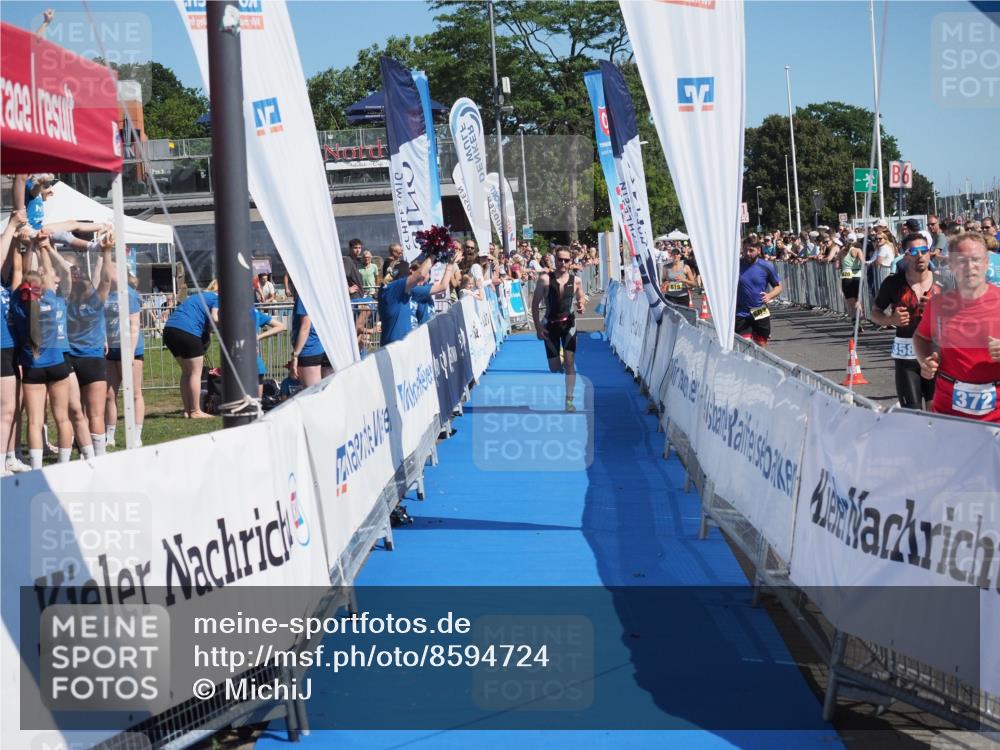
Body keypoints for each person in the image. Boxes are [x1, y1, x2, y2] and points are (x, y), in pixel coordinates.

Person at [913, 233, 1000, 422]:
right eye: (961, 261)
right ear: (951, 266)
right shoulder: (938, 305)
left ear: (986, 263)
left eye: (976, 260)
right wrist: (925, 361)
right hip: (949, 414)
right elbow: (920, 338)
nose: (970, 267)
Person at [11, 237, 74, 468]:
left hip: (32, 368)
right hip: (57, 364)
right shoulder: (52, 299)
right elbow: (48, 271)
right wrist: (43, 247)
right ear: (43, 287)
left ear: (23, 289)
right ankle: (64, 464)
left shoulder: (18, 305)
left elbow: (22, 271)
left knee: (35, 421)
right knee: (62, 418)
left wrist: (28, 248)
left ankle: (37, 469)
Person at [870, 234, 945, 410]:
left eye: (924, 250)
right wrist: (890, 319)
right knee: (913, 414)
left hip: (936, 356)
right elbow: (875, 312)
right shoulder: (893, 283)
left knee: (939, 414)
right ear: (906, 255)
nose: (920, 255)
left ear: (929, 253)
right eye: (914, 251)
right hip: (906, 357)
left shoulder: (944, 283)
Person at [63, 237, 114, 457]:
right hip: (87, 359)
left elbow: (101, 280)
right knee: (93, 413)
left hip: (79, 359)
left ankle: (92, 454)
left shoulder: (64, 298)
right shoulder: (88, 298)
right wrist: (105, 253)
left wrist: (104, 254)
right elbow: (104, 281)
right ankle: (94, 455)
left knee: (82, 413)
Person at [531, 246, 587, 412]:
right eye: (560, 259)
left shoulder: (576, 280)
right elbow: (534, 304)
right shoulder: (545, 279)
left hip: (568, 324)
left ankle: (569, 401)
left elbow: (581, 297)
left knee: (570, 363)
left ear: (571, 262)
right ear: (554, 260)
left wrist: (582, 305)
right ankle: (560, 358)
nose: (563, 263)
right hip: (550, 326)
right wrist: (538, 327)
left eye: (566, 260)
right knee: (554, 368)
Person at [378, 249, 461, 346]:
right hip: (395, 347)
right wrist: (435, 250)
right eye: (409, 273)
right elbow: (420, 274)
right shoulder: (392, 289)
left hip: (409, 344)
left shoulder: (409, 290)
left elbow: (442, 286)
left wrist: (450, 265)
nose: (411, 274)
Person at [1, 211, 30, 474]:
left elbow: (18, 266)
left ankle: (12, 455)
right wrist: (10, 225)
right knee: (6, 408)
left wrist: (24, 243)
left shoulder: (8, 285)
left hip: (14, 347)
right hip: (1, 347)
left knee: (16, 406)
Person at [163, 287, 219, 418]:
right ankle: (195, 411)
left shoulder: (199, 297)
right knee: (195, 372)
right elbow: (215, 317)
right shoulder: (218, 298)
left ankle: (187, 410)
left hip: (169, 330)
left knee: (187, 372)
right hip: (188, 331)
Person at [105, 270, 147, 445]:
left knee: (134, 393)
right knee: (109, 394)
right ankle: (110, 436)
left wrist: (129, 351)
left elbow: (134, 324)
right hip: (111, 349)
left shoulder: (129, 294)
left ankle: (136, 435)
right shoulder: (105, 293)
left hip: (131, 349)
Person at [735, 241, 782, 347]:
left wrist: (769, 295)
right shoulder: (736, 265)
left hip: (759, 309)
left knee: (761, 343)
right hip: (741, 311)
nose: (747, 253)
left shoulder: (766, 266)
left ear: (758, 250)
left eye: (751, 250)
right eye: (745, 250)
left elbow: (779, 287)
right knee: (743, 344)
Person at [289, 281, 332, 388]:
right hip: (323, 347)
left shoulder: (305, 296)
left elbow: (305, 328)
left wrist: (295, 356)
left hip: (309, 349)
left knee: (312, 394)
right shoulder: (323, 294)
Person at [252, 305, 286, 397]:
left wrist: (258, 337)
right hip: (256, 365)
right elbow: (280, 326)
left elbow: (281, 326)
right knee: (256, 405)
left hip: (245, 363)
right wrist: (258, 337)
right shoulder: (254, 311)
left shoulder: (239, 312)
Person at [838, 237, 865, 320]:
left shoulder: (841, 252)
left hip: (846, 275)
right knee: (858, 300)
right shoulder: (858, 250)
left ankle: (855, 323)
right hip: (857, 275)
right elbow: (863, 262)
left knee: (851, 302)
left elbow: (837, 266)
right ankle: (859, 318)